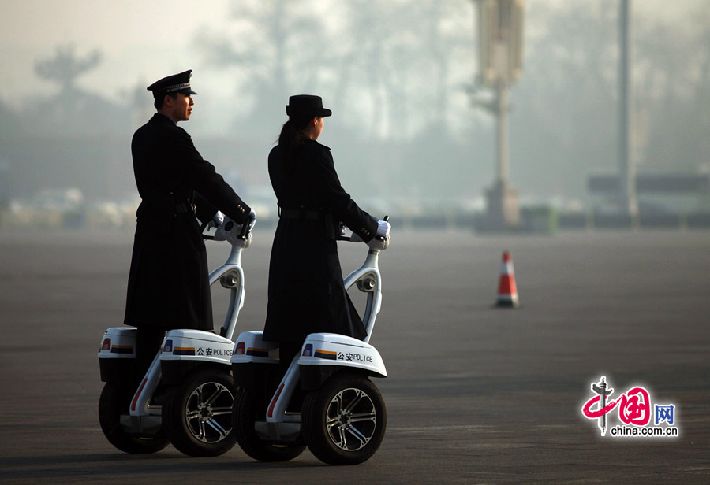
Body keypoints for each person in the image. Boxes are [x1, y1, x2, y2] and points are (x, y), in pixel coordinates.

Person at [124, 69, 253, 375]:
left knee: (151, 317)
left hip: (150, 230)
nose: (190, 103)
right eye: (185, 97)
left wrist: (210, 214)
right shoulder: (175, 137)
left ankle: (142, 389)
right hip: (176, 235)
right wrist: (240, 210)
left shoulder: (142, 136)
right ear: (168, 101)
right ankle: (189, 382)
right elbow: (202, 176)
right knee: (189, 313)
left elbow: (180, 182)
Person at [263, 94, 389, 366]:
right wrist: (372, 228)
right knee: (330, 315)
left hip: (286, 240)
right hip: (314, 246)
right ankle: (327, 383)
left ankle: (288, 388)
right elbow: (337, 199)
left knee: (291, 320)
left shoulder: (276, 155)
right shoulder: (316, 155)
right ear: (315, 121)